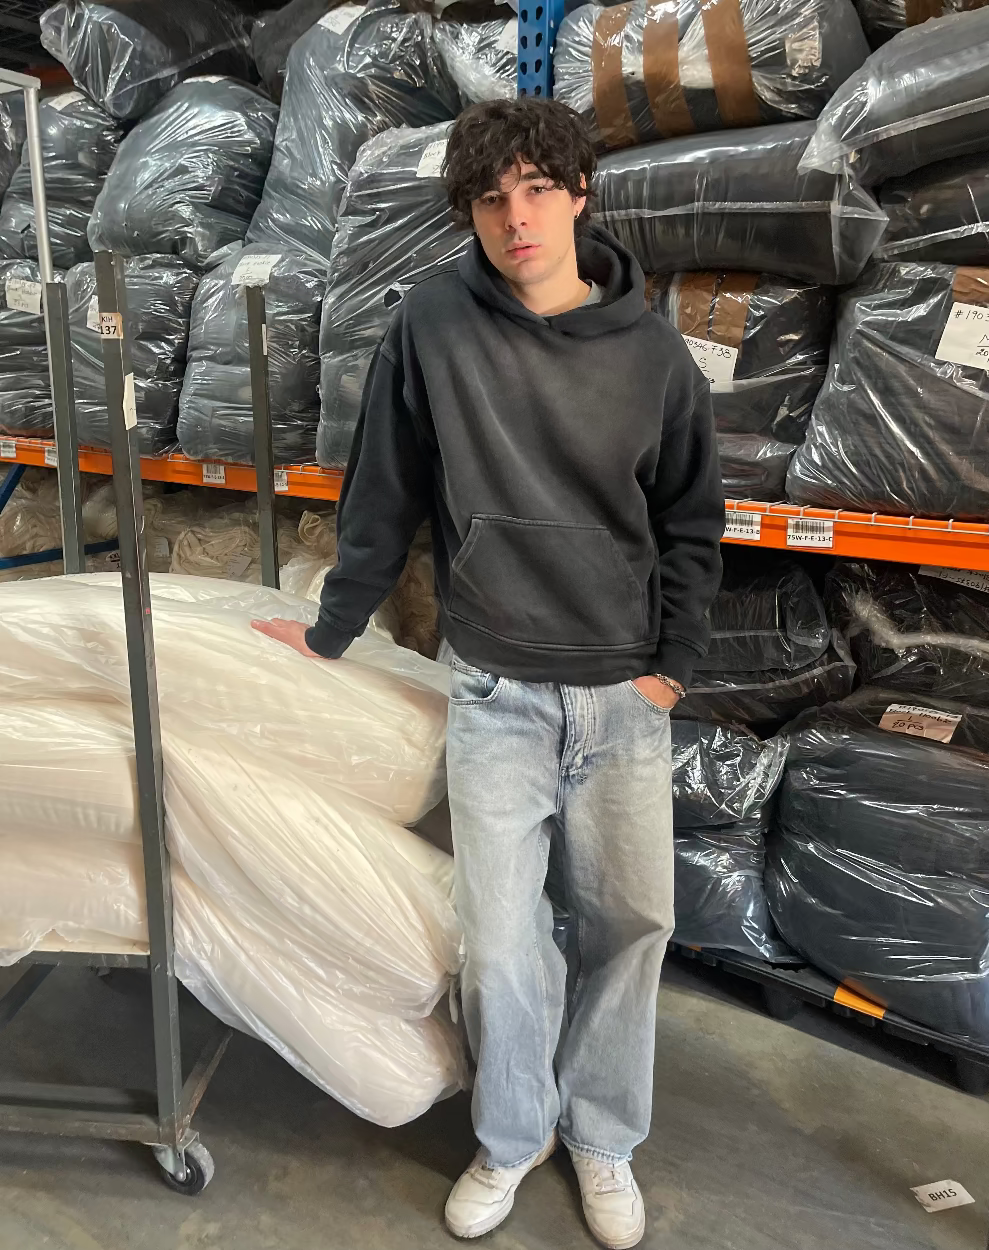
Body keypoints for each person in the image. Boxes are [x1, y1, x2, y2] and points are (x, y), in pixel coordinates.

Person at [253, 98, 725, 1248]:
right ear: (469, 211)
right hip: (496, 690)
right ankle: (513, 1135)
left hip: (620, 695)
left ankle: (604, 1136)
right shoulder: (432, 323)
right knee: (502, 939)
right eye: (489, 197)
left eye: (535, 189)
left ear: (579, 194)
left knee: (629, 925)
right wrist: (330, 627)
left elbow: (691, 521)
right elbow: (385, 489)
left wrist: (670, 668)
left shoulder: (652, 353)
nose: (515, 218)